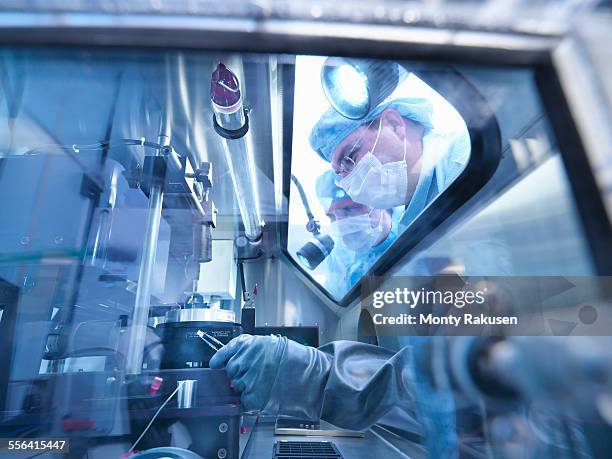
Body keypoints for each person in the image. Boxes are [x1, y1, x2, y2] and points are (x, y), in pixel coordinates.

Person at [309, 97, 470, 228]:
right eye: (341, 173)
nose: (350, 182)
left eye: (350, 157)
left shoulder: (467, 161)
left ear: (394, 124)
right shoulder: (409, 222)